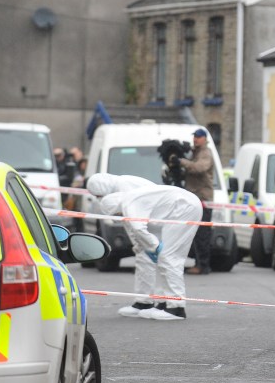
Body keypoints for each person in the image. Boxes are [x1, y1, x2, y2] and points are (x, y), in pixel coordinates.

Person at [87, 173, 202, 320]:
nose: (120, 214)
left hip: (182, 209)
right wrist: (147, 246)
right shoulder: (126, 198)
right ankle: (162, 303)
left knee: (168, 257)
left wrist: (153, 246)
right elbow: (136, 228)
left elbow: (137, 228)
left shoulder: (128, 202)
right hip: (175, 209)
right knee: (163, 257)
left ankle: (176, 308)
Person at [181, 128, 215, 275]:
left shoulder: (205, 153)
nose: (195, 139)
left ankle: (203, 265)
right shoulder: (195, 152)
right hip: (194, 198)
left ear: (205, 138)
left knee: (202, 234)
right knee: (196, 234)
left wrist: (182, 162)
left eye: (199, 137)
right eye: (194, 136)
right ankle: (199, 263)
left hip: (203, 199)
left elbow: (199, 168)